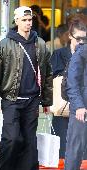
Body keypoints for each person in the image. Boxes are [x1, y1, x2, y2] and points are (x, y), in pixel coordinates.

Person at [0, 6, 52, 170]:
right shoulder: (5, 45)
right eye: (24, 20)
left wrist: (46, 100)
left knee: (30, 142)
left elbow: (47, 75)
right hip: (11, 99)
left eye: (30, 20)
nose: (28, 23)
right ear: (16, 21)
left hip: (32, 99)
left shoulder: (40, 44)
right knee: (12, 138)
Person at [50, 19, 87, 160]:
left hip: (82, 107)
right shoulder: (59, 54)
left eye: (84, 38)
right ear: (70, 36)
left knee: (82, 149)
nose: (81, 42)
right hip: (63, 107)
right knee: (63, 148)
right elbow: (51, 79)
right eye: (78, 38)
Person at [63, 35, 87, 170]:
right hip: (82, 108)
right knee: (76, 148)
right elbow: (72, 82)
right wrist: (78, 105)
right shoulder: (81, 53)